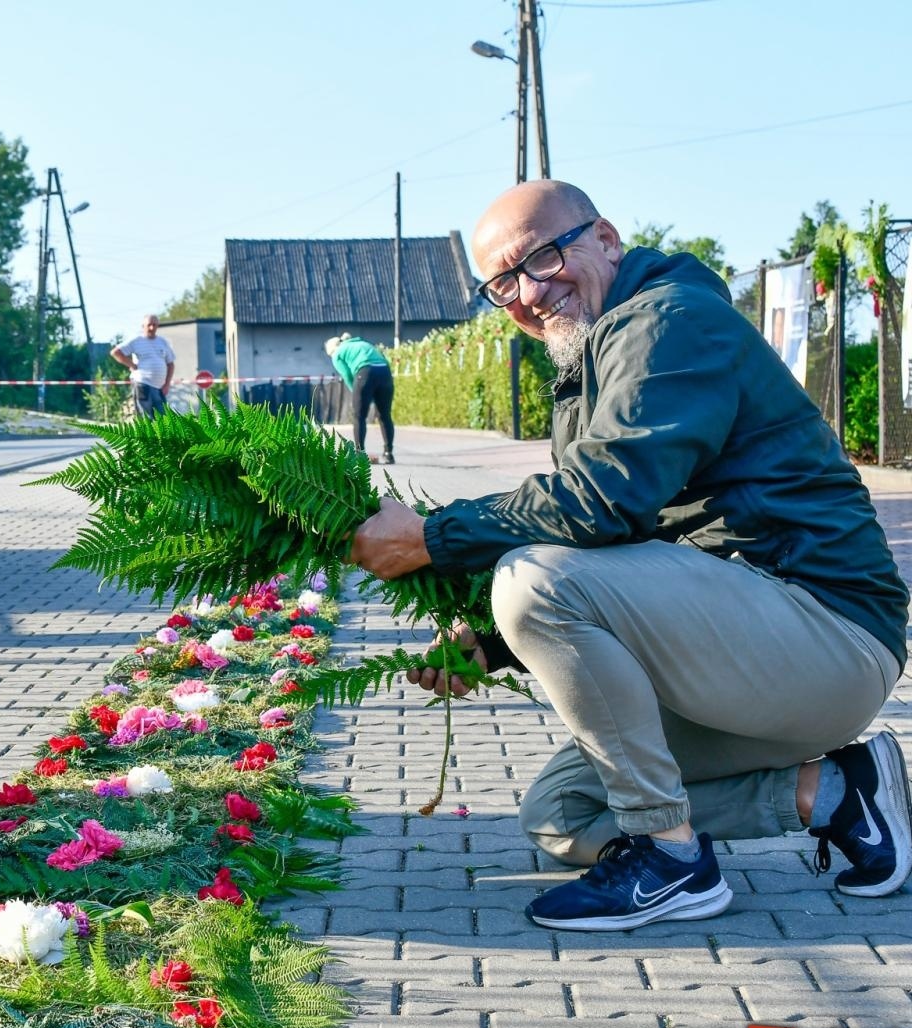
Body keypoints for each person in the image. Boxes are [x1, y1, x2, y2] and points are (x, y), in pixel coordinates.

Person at [347, 180, 909, 932]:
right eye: (501, 283)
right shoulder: (594, 353)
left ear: (606, 238)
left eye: (543, 258)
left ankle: (673, 863)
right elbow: (617, 542)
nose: (529, 293)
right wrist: (489, 646)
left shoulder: (669, 319)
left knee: (531, 581)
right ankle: (837, 791)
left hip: (827, 636)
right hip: (750, 654)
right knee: (563, 813)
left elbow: (600, 501)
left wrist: (427, 537)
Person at [325, 331, 395, 462]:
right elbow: (384, 360)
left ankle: (359, 454)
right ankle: (388, 453)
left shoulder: (337, 354)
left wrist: (356, 392)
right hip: (385, 371)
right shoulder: (364, 343)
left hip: (365, 372)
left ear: (332, 350)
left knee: (359, 416)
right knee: (385, 415)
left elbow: (346, 374)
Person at [109, 314, 176, 417]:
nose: (152, 328)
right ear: (143, 326)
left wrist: (167, 384)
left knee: (163, 418)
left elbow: (170, 364)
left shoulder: (163, 342)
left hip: (159, 387)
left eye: (154, 325)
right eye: (149, 325)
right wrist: (131, 364)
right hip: (143, 384)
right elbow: (115, 352)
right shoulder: (136, 340)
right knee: (146, 418)